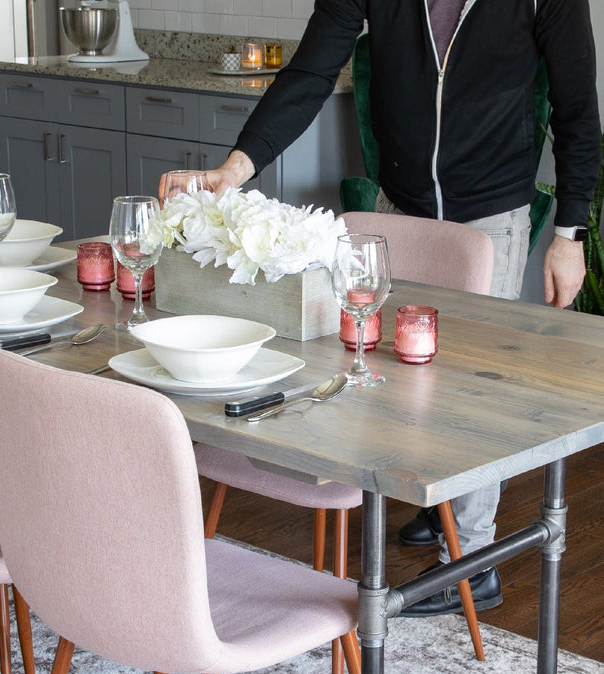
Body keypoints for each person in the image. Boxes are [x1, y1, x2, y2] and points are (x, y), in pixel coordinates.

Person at [205, 0, 600, 616]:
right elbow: (310, 71)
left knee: (471, 388)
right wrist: (239, 165)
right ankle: (436, 506)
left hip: (490, 208)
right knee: (399, 372)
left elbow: (577, 107)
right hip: (403, 201)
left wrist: (570, 234)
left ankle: (473, 562)